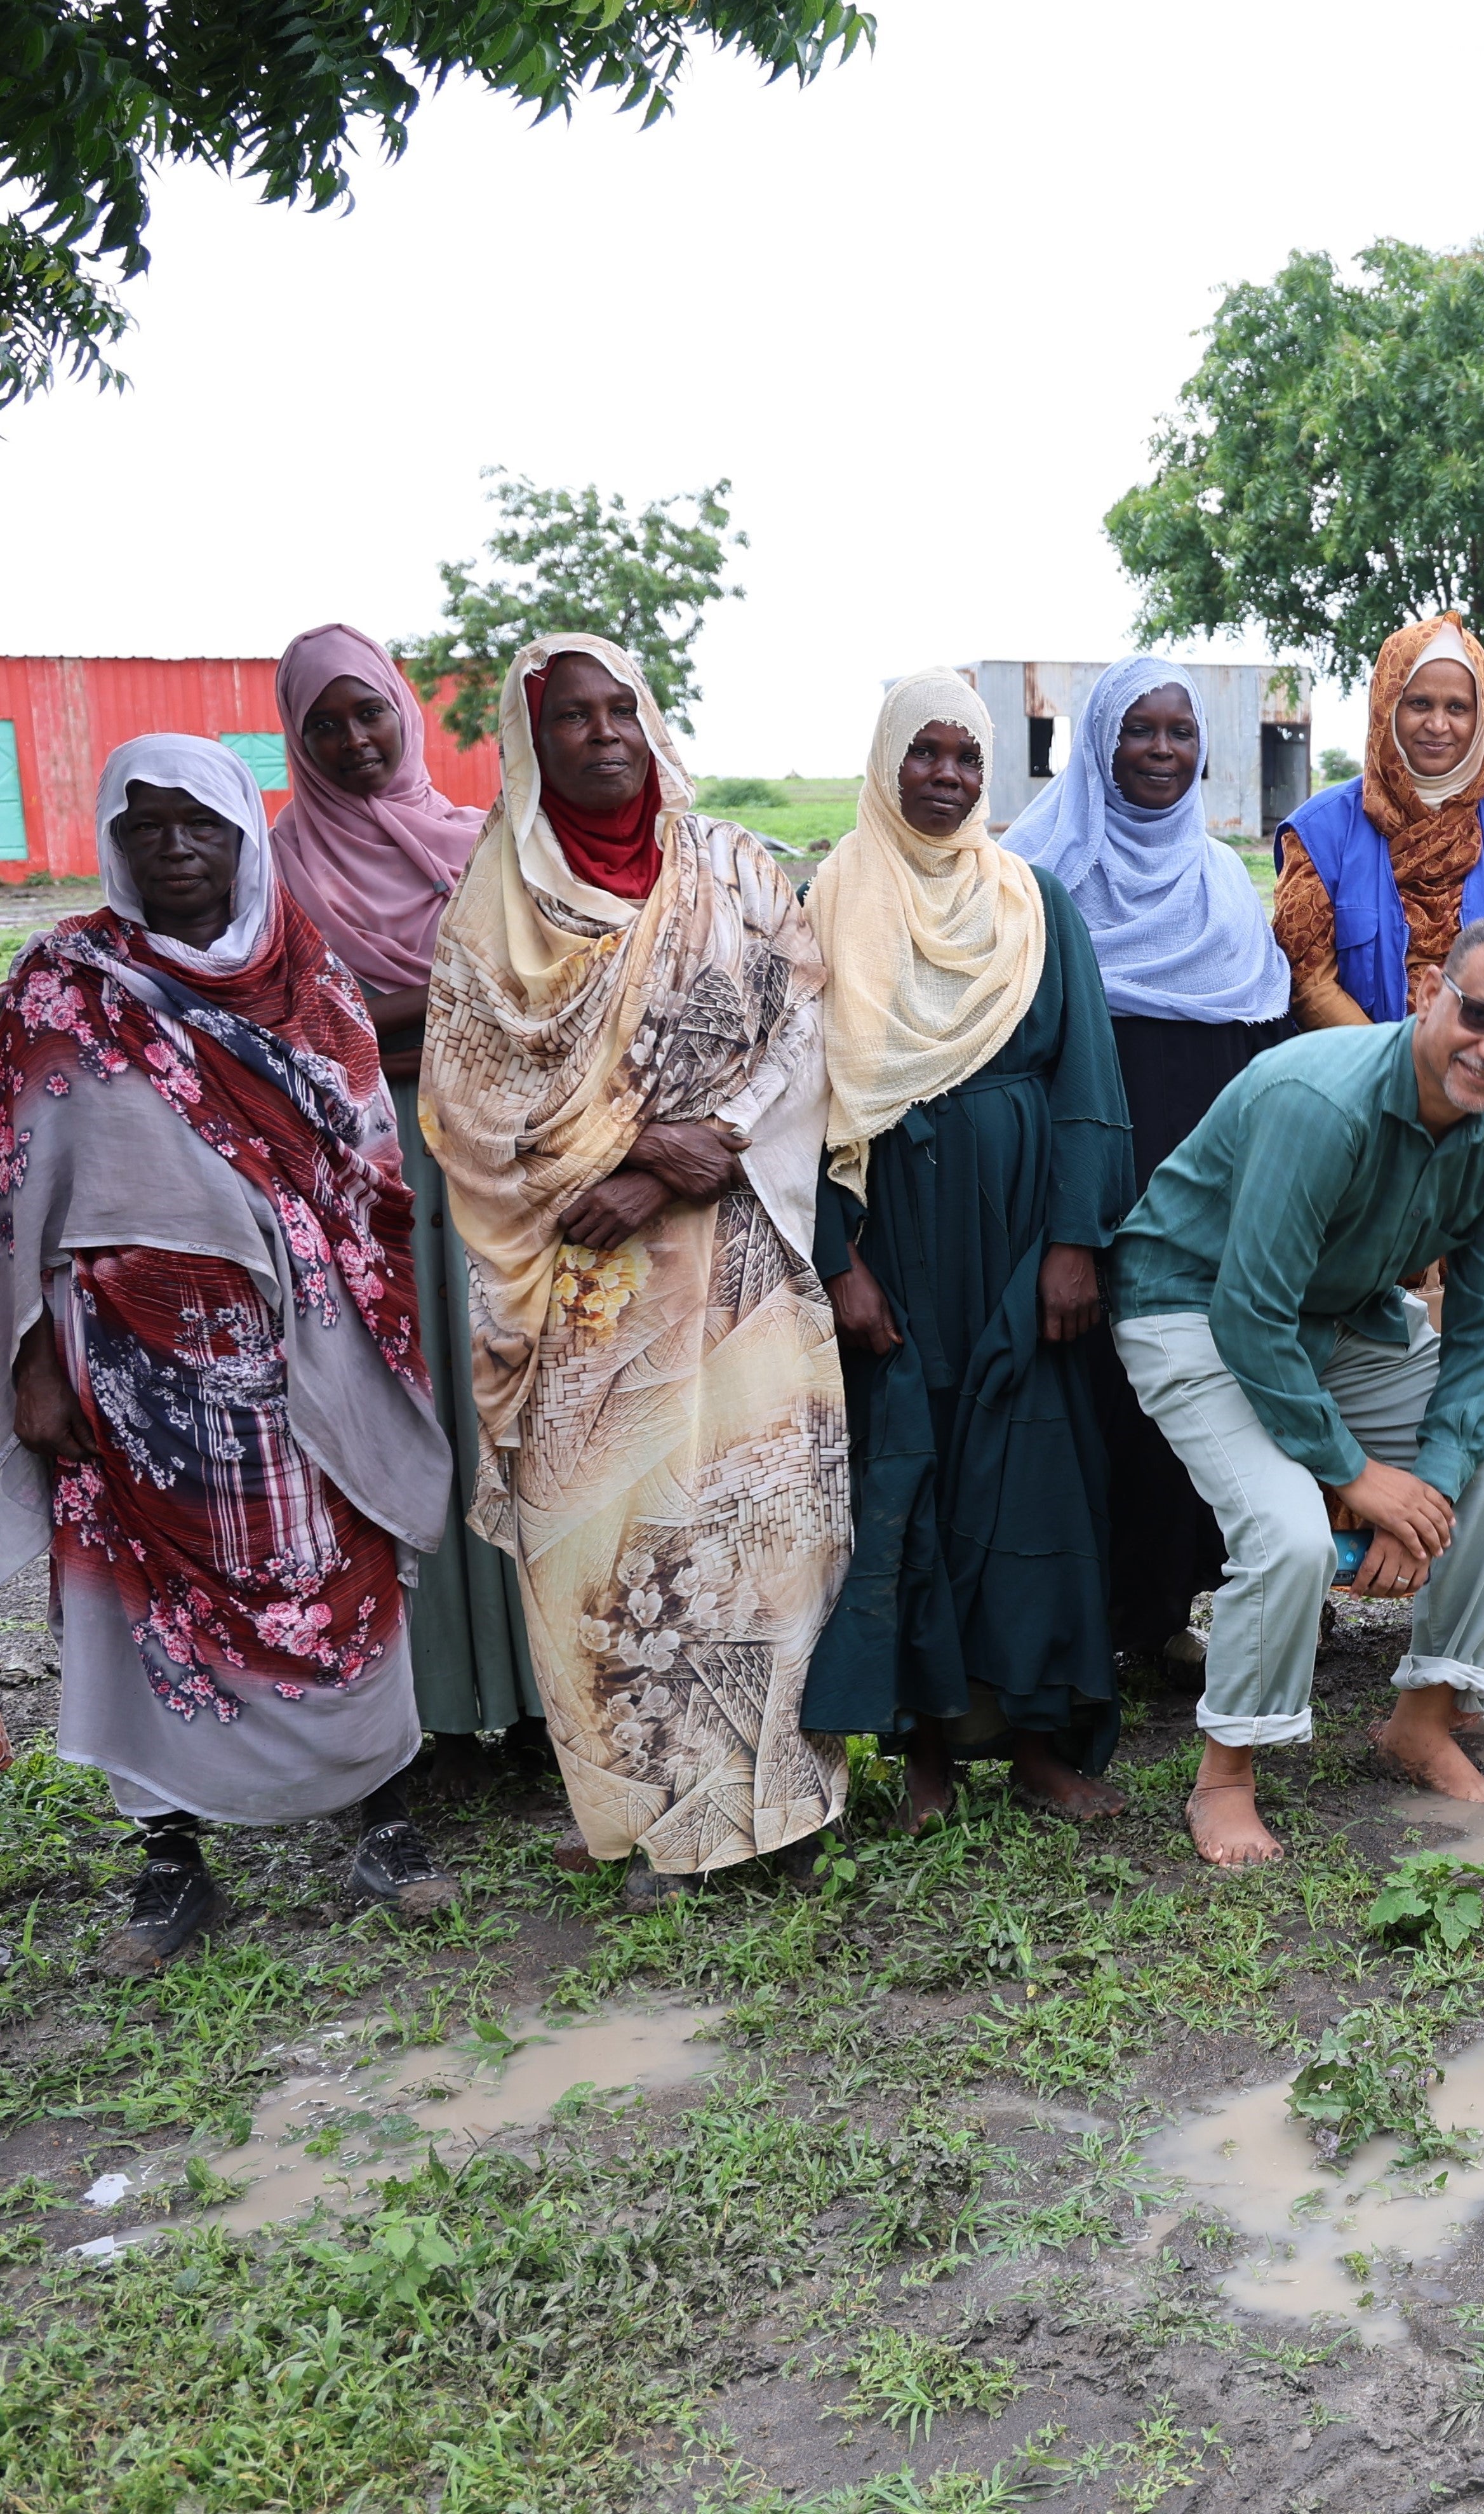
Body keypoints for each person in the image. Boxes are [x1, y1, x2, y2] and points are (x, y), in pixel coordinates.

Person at [0, 736, 457, 1971]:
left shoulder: (311, 981)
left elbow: (369, 1170)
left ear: (243, 834)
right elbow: (14, 1192)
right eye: (143, 825)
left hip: (302, 1347)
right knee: (137, 1616)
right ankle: (170, 1862)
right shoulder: (62, 982)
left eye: (197, 822)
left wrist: (359, 1320)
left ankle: (387, 1820)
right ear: (112, 838)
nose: (173, 848)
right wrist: (32, 1359)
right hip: (123, 1370)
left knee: (338, 1574)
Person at [421, 634, 848, 1904]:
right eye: (571, 717)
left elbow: (802, 1014)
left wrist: (690, 1152)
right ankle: (648, 1817)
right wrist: (611, 1154)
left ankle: (774, 1800)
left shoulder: (732, 867)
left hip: (736, 1255)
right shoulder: (496, 899)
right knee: (606, 1547)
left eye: (621, 709)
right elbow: (468, 1103)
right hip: (584, 1280)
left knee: (763, 1524)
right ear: (531, 737)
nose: (603, 733)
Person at [1108, 919, 1484, 1866]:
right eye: (1478, 1014)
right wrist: (1357, 1477)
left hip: (1342, 1314)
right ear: (1430, 989)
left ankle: (1421, 1721)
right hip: (1191, 1304)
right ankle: (1225, 1775)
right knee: (1289, 1528)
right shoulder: (1324, 1099)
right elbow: (1249, 1312)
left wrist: (1423, 1493)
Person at [799, 673, 1139, 1829]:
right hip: (893, 1233)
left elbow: (1087, 1083)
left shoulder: (1034, 903)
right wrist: (835, 1260)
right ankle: (928, 1750)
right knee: (914, 1470)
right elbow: (801, 1101)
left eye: (964, 756)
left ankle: (1039, 1743)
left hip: (1015, 1238)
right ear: (886, 761)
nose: (944, 776)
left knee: (1037, 1474)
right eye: (922, 753)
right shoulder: (832, 900)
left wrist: (1073, 1243)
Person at [267, 622, 538, 1742]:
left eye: (367, 711)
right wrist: (441, 1006)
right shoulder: (275, 864)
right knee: (392, 1416)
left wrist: (377, 1021)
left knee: (512, 1407)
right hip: (360, 1180)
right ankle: (416, 1706)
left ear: (403, 710)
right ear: (295, 737)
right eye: (322, 724)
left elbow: (537, 990)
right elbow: (282, 1025)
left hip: (499, 1161)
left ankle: (531, 1696)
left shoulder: (480, 841)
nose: (352, 740)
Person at [1005, 655, 1290, 1676]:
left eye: (1180, 732)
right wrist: (1061, 1226)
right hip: (1078, 1195)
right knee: (1079, 1407)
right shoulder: (1036, 879)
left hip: (1197, 1199)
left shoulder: (1219, 877)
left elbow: (1255, 1043)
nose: (1162, 750)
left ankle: (1164, 1615)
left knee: (1187, 1396)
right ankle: (1075, 1635)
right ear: (1095, 744)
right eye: (1139, 730)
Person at [1269, 613, 1484, 1030]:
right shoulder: (1320, 835)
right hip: (1366, 1081)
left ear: (1482, 718)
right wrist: (1397, 1069)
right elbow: (1310, 981)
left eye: (1457, 707)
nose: (1438, 725)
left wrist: (1482, 1052)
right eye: (1419, 703)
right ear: (1387, 707)